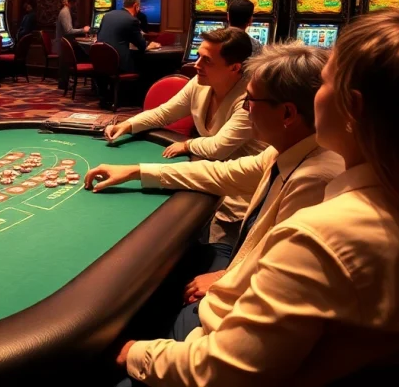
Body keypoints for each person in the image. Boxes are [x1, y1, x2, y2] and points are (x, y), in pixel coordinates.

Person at [110, 7, 399, 387]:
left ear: (351, 106)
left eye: (323, 82)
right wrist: (138, 171)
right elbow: (227, 173)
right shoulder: (367, 178)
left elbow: (226, 370)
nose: (313, 95)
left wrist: (134, 353)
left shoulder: (323, 229)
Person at [85, 44, 343, 356]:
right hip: (238, 274)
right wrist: (136, 171)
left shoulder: (315, 179)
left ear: (287, 113)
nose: (244, 108)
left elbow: (277, 285)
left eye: (250, 100)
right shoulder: (288, 150)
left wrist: (223, 278)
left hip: (235, 321)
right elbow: (223, 173)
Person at [105, 27, 262, 260]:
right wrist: (128, 124)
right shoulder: (199, 83)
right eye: (198, 56)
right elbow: (164, 113)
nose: (197, 64)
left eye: (207, 60)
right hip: (206, 177)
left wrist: (188, 145)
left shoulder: (250, 99)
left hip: (239, 198)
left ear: (234, 68)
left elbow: (218, 148)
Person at [95, 0, 160, 107]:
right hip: (119, 64)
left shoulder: (107, 15)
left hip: (102, 61)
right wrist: (152, 45)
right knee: (149, 67)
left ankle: (107, 98)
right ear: (136, 6)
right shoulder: (132, 20)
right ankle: (139, 100)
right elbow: (141, 46)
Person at [54, 0, 90, 89]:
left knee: (65, 64)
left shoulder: (65, 11)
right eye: (74, 3)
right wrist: (83, 30)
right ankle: (64, 84)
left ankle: (64, 83)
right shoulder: (65, 12)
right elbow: (68, 30)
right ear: (71, 3)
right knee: (65, 64)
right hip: (63, 42)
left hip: (64, 42)